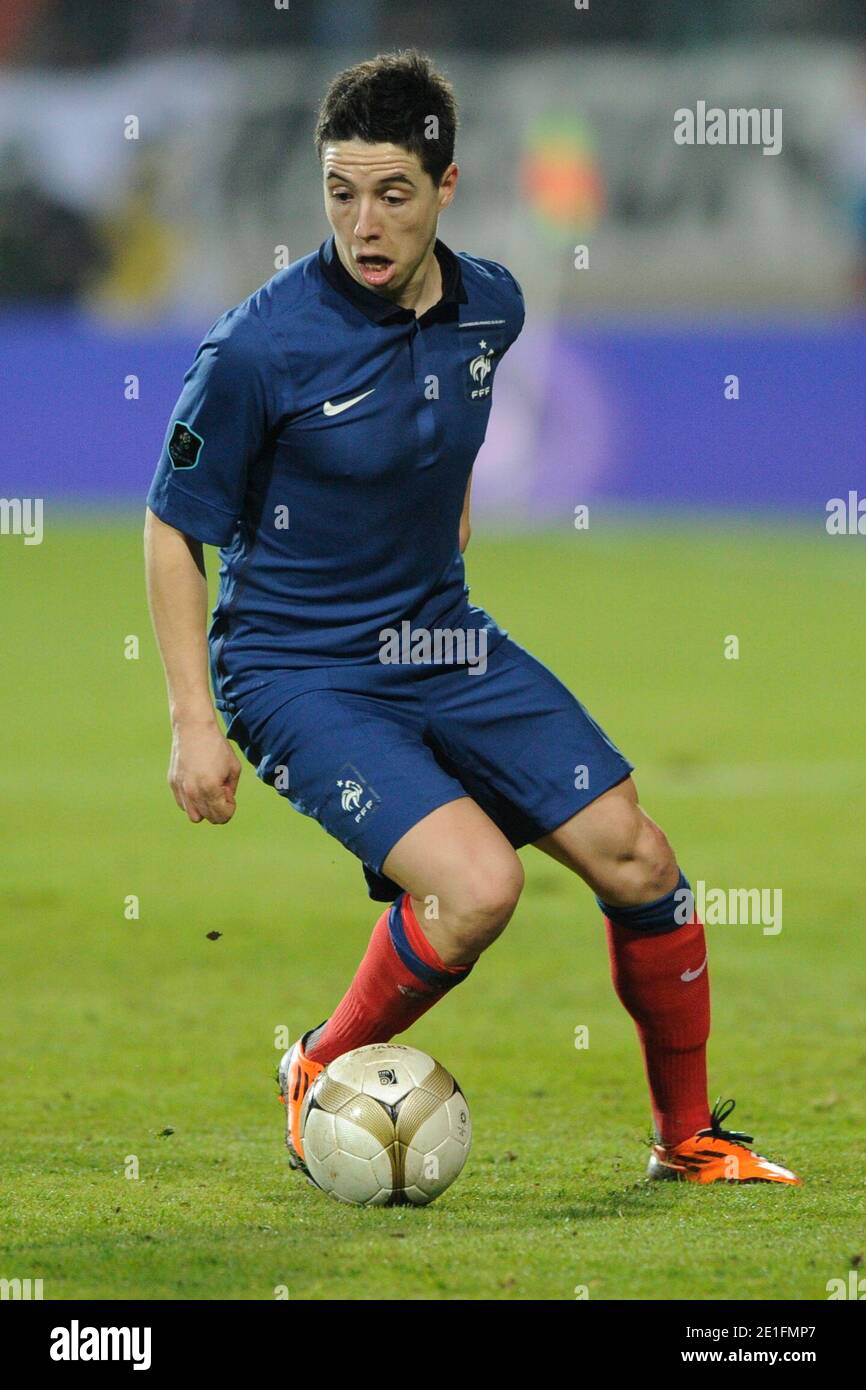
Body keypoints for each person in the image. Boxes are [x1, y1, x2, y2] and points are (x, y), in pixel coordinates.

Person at [144, 50, 799, 1187]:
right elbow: (169, 528)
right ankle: (321, 1066)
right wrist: (193, 720)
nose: (363, 223)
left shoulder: (491, 303)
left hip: (439, 639)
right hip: (297, 666)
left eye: (391, 193)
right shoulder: (257, 347)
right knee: (476, 888)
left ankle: (684, 1140)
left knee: (639, 860)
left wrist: (438, 564)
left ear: (447, 188)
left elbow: (439, 453)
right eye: (340, 193)